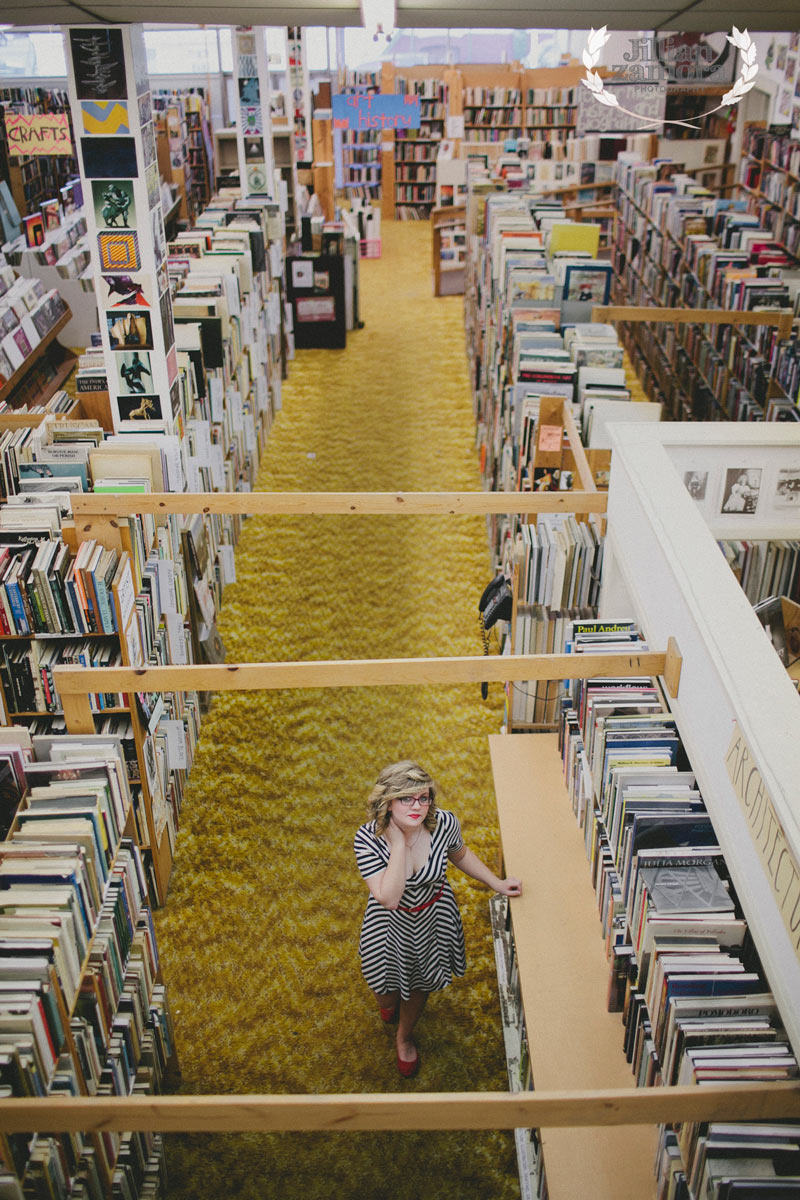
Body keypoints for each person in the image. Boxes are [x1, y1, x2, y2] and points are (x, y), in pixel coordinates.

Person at [354, 760, 522, 1078]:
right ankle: (389, 1006)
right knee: (384, 990)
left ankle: (404, 1036)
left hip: (434, 918)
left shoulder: (443, 823)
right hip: (389, 927)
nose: (417, 806)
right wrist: (399, 845)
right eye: (406, 798)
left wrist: (496, 883)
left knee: (421, 984)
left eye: (424, 797)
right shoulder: (367, 839)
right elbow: (388, 898)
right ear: (388, 801)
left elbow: (459, 854)